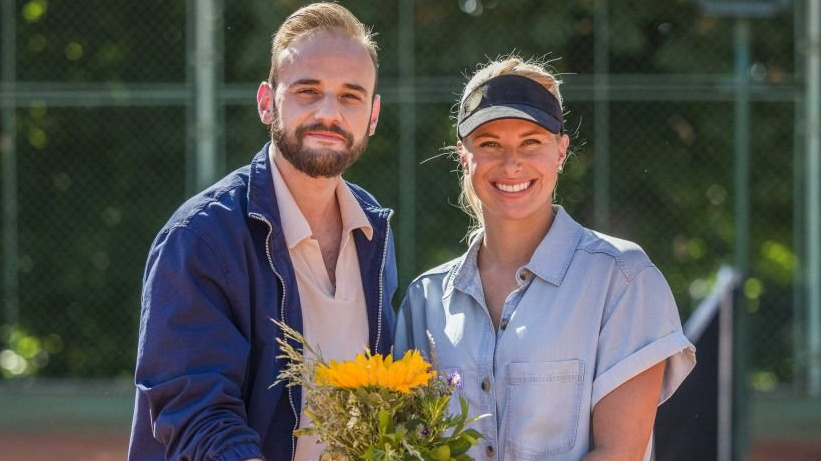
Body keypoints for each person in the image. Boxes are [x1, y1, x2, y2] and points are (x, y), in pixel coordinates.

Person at [128, 3, 396, 460]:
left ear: (372, 116)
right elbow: (196, 415)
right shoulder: (200, 239)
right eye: (307, 91)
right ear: (267, 103)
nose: (328, 113)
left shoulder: (373, 228)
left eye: (350, 96)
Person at [394, 56, 696, 461]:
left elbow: (619, 452)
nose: (511, 162)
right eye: (489, 144)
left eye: (531, 142)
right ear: (463, 157)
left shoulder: (622, 279)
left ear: (561, 151)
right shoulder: (424, 301)